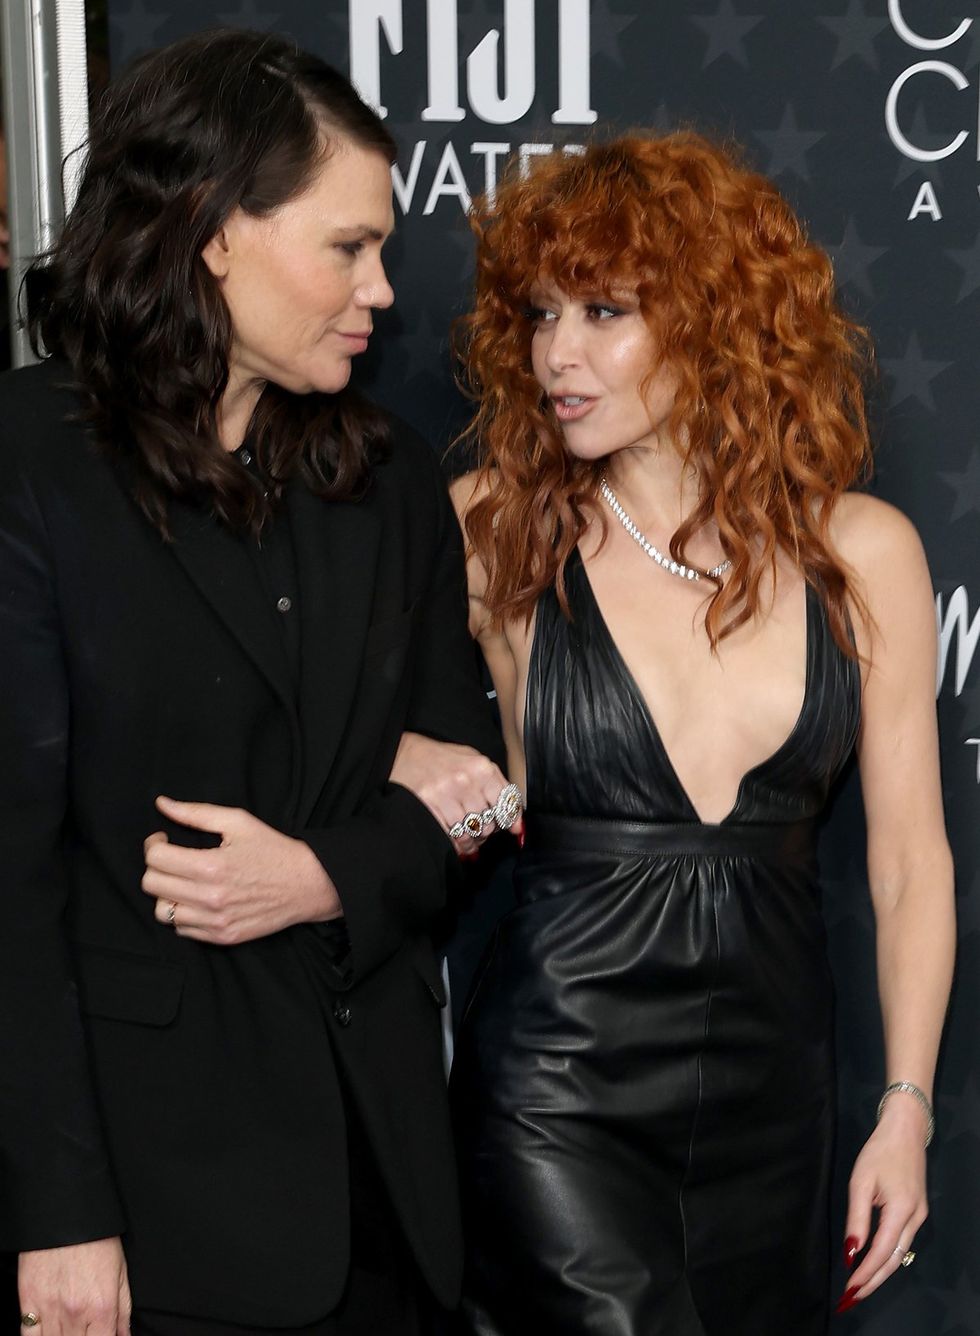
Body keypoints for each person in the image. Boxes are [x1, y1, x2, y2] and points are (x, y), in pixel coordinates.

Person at [0, 28, 512, 1336]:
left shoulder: (390, 478)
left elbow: (485, 805)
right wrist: (59, 1216)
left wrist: (329, 871)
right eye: (348, 246)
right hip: (155, 1208)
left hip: (387, 1190)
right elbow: (14, 879)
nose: (385, 290)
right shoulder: (35, 470)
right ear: (218, 230)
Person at [447, 133, 955, 1335]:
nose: (555, 354)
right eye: (539, 315)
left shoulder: (861, 553)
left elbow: (906, 863)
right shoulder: (490, 531)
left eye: (603, 311)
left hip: (771, 1116)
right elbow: (319, 721)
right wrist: (433, 772)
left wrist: (905, 1106)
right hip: (554, 1098)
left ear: (714, 320)